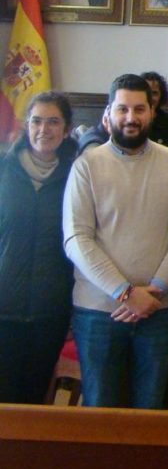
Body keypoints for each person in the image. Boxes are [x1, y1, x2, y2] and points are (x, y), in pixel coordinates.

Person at [63, 74, 168, 408]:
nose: (131, 117)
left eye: (140, 109)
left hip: (159, 310)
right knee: (100, 408)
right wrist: (124, 293)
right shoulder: (86, 166)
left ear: (152, 112)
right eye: (123, 108)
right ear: (109, 113)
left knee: (150, 410)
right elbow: (77, 239)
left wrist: (154, 291)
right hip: (98, 312)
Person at [0, 92, 77, 404]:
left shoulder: (77, 176)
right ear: (25, 125)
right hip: (3, 306)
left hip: (50, 310)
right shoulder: (4, 170)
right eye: (36, 121)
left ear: (67, 129)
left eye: (53, 121)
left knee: (34, 397)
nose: (44, 129)